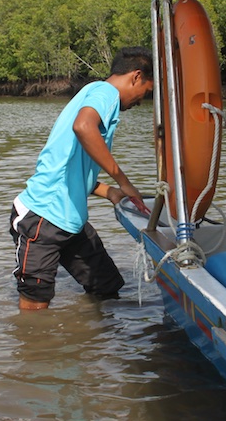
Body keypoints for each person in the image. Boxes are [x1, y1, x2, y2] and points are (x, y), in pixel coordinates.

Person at [10, 46, 154, 311]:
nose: (140, 102)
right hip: (43, 216)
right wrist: (123, 180)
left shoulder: (95, 93)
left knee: (107, 286)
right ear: (136, 76)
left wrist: (110, 192)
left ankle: (93, 347)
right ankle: (36, 351)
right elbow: (83, 126)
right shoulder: (106, 93)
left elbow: (72, 170)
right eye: (145, 92)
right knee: (35, 305)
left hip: (70, 219)